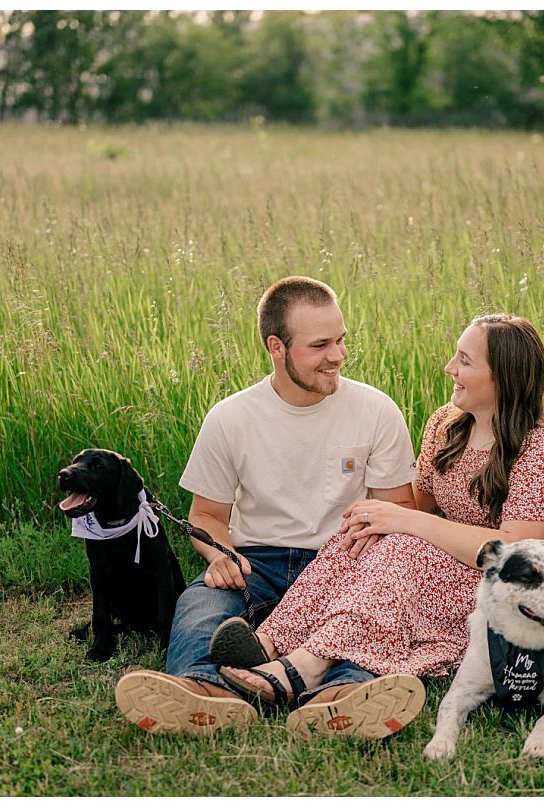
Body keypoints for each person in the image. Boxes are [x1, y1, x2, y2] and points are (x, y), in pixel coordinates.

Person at [214, 313, 544, 741]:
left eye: (464, 360)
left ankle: (304, 667)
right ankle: (270, 644)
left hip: (509, 588)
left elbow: (517, 548)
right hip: (445, 568)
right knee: (362, 532)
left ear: (501, 377)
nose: (450, 368)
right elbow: (416, 505)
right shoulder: (447, 425)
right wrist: (376, 520)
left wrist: (403, 521)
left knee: (401, 544)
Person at [114, 276, 419, 736]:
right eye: (320, 345)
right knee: (201, 602)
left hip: (344, 561)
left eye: (340, 340)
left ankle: (342, 697)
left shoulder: (376, 410)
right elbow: (207, 515)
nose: (337, 356)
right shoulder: (231, 417)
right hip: (257, 563)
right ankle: (203, 694)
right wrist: (222, 556)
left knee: (363, 615)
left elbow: (397, 510)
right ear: (276, 347)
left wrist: (359, 561)